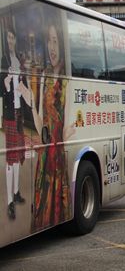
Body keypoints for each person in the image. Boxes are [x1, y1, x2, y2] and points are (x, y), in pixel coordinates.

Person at [20, 13, 74, 231]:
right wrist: (31, 102)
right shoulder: (44, 76)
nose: (51, 47)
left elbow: (68, 124)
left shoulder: (67, 80)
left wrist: (69, 132)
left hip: (57, 151)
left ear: (61, 43)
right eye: (48, 41)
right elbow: (40, 120)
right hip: (45, 153)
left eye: (55, 41)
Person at [1, 24, 26, 220]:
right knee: (10, 158)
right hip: (10, 115)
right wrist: (7, 82)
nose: (10, 41)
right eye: (8, 38)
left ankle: (16, 192)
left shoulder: (18, 60)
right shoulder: (3, 60)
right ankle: (9, 200)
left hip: (20, 114)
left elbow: (24, 87)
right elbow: (2, 90)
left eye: (12, 38)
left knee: (17, 156)